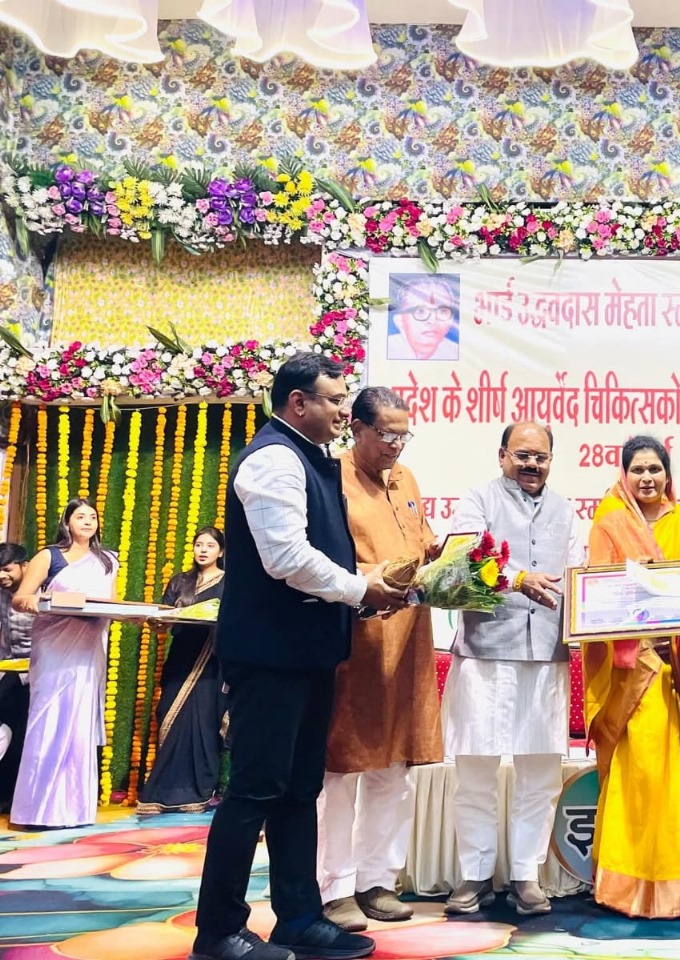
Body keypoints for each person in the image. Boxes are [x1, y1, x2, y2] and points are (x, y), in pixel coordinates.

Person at [190, 353, 407, 960]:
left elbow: (320, 557)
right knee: (254, 792)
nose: (343, 410)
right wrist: (361, 589)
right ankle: (218, 931)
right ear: (297, 402)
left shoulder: (310, 458)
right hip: (269, 656)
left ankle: (299, 918)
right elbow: (285, 558)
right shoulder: (273, 459)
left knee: (298, 789)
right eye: (335, 400)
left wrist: (371, 592)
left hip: (308, 653)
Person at [442, 421, 582, 917]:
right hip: (485, 651)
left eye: (540, 457)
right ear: (502, 455)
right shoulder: (478, 499)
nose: (531, 465)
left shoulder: (567, 510)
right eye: (522, 455)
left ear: (551, 461)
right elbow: (462, 559)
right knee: (475, 769)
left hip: (545, 654)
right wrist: (518, 578)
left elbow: (579, 576)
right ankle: (475, 874)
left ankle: (526, 874)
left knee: (539, 773)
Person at [585, 435, 680, 918]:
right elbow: (597, 598)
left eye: (655, 469)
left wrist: (679, 642)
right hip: (631, 670)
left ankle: (675, 881)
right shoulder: (608, 523)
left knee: (673, 775)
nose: (647, 478)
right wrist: (641, 638)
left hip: (678, 670)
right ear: (624, 475)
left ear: (668, 474)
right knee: (640, 773)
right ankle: (627, 885)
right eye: (638, 470)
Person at [319, 387, 443, 931]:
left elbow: (421, 542)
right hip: (358, 639)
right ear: (358, 429)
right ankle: (334, 887)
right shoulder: (332, 478)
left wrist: (442, 557)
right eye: (387, 434)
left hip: (410, 638)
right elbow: (326, 563)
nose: (396, 444)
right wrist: (372, 580)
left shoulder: (406, 479)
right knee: (342, 768)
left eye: (403, 434)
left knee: (395, 766)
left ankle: (377, 880)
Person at [9, 500, 117, 829]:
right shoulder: (49, 556)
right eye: (80, 516)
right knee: (48, 719)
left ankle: (74, 811)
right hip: (54, 646)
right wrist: (40, 602)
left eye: (92, 517)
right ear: (67, 522)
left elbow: (110, 605)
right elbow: (20, 598)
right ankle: (36, 811)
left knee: (78, 723)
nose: (87, 522)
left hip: (88, 648)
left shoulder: (106, 560)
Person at [138, 526, 227, 816]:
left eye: (210, 546)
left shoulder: (229, 582)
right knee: (169, 715)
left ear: (221, 552)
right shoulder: (181, 582)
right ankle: (161, 792)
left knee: (204, 723)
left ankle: (198, 792)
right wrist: (157, 622)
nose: (203, 550)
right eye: (199, 545)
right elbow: (163, 617)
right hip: (181, 658)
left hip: (210, 662)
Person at [0, 542, 33, 813]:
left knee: (24, 735)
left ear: (24, 566)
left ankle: (16, 799)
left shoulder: (40, 592)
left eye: (7, 569)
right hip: (9, 669)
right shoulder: (1, 593)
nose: (2, 576)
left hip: (37, 672)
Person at [386, 274, 460, 361]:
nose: (432, 320)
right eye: (420, 311)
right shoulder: (382, 351)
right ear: (399, 321)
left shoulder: (457, 353)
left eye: (442, 311)